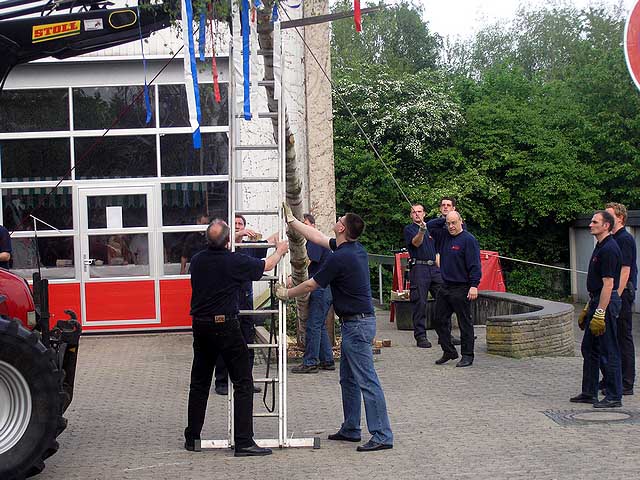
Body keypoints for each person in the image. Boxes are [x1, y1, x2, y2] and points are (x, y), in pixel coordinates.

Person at [276, 205, 393, 452]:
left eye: (340, 219)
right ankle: (351, 428)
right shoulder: (352, 249)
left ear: (342, 228)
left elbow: (310, 285)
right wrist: (293, 221)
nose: (337, 219)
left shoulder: (340, 257)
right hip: (355, 324)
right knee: (348, 378)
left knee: (367, 381)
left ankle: (382, 434)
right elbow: (316, 236)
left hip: (358, 325)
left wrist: (286, 293)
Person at [184, 218, 288, 457]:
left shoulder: (198, 261)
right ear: (229, 241)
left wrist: (236, 239)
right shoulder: (234, 262)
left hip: (200, 326)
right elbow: (267, 265)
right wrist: (281, 250)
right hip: (226, 326)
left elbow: (220, 253)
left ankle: (192, 437)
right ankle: (243, 442)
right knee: (243, 382)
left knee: (199, 383)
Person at [214, 214, 274, 395]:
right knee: (224, 345)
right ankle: (222, 382)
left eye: (241, 224)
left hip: (246, 302)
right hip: (227, 304)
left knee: (248, 344)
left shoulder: (249, 248)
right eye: (235, 225)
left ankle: (246, 381)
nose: (239, 227)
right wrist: (238, 234)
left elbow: (266, 247)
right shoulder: (226, 248)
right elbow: (230, 241)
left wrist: (287, 228)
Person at [571, 210, 623, 408]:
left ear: (606, 226)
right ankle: (589, 392)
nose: (590, 225)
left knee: (609, 351)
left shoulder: (610, 248)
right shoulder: (599, 246)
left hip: (607, 304)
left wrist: (600, 312)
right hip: (596, 301)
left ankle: (614, 396)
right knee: (589, 348)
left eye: (595, 222)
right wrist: (588, 307)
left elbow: (609, 284)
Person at [426, 211, 481, 367]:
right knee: (438, 320)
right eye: (448, 223)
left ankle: (467, 355)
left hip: (462, 287)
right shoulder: (444, 236)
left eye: (454, 223)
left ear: (461, 222)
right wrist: (444, 218)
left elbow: (475, 265)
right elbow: (429, 226)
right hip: (445, 286)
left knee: (465, 323)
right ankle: (449, 351)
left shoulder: (468, 240)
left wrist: (474, 285)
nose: (451, 226)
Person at [291, 213, 335, 373]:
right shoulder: (317, 241)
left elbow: (308, 261)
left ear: (312, 225)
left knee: (313, 325)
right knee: (320, 325)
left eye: (304, 224)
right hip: (326, 288)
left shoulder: (314, 241)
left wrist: (293, 277)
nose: (302, 227)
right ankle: (327, 360)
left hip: (320, 288)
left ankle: (310, 362)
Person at [602, 203, 637, 396]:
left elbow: (625, 270)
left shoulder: (625, 239)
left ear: (620, 218)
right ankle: (612, 378)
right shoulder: (612, 239)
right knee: (612, 337)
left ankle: (626, 382)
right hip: (614, 293)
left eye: (608, 215)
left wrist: (615, 296)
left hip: (622, 293)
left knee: (623, 336)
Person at [403, 204, 442, 348]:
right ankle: (420, 337)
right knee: (420, 302)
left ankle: (445, 334)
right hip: (419, 268)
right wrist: (421, 231)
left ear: (424, 213)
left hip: (434, 267)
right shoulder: (409, 229)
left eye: (419, 212)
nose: (417, 214)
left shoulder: (432, 228)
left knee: (444, 299)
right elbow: (416, 243)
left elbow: (437, 250)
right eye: (414, 212)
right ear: (411, 215)